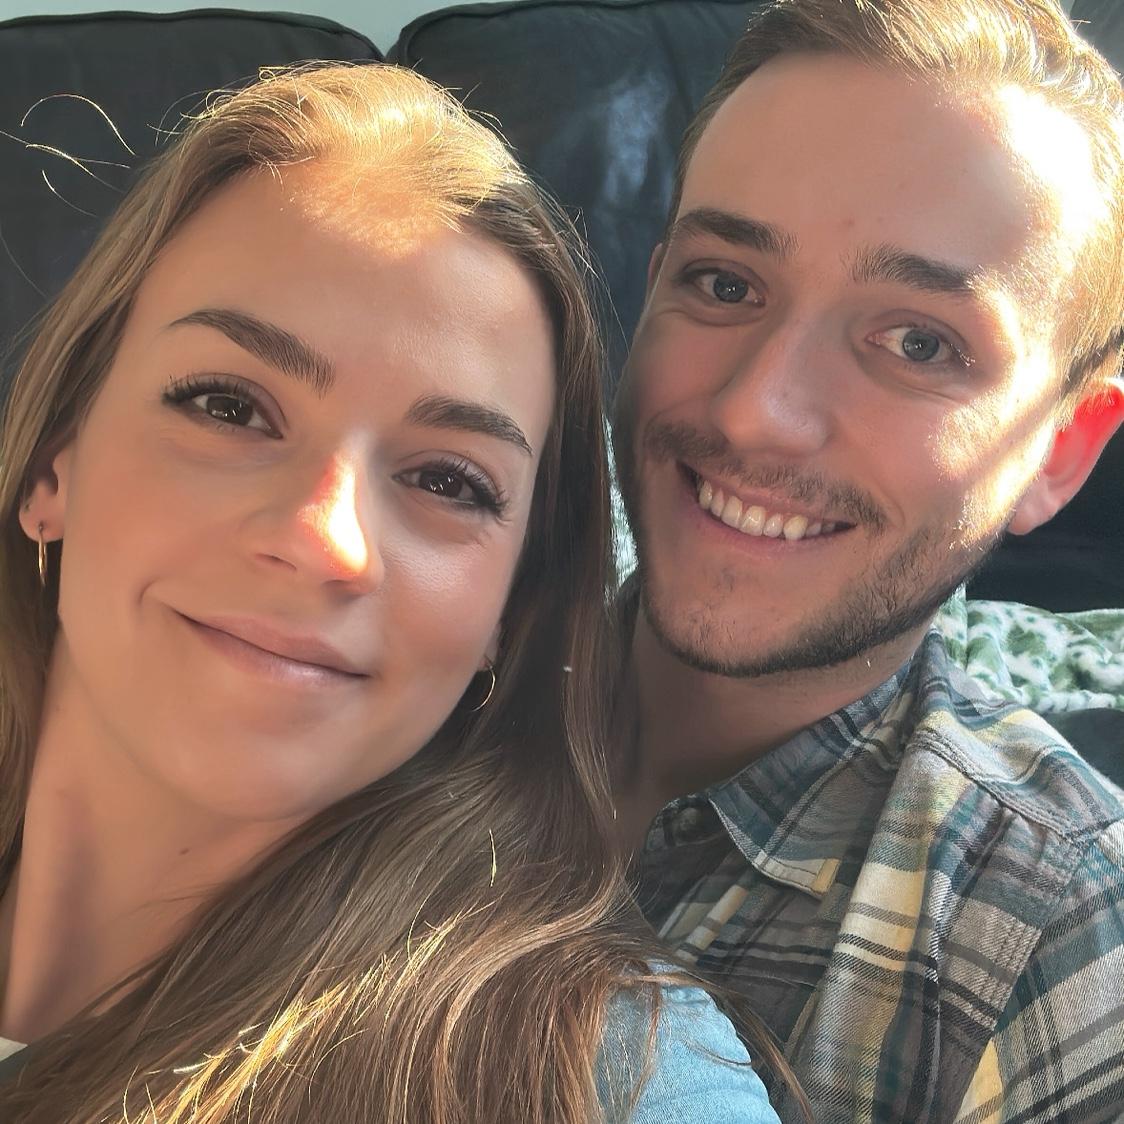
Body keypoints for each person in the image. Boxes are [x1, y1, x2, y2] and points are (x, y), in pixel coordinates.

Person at [0, 62, 780, 1123]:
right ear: (56, 462)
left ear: (508, 610)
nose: (325, 538)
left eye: (448, 481)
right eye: (228, 405)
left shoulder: (599, 1065)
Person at [609, 0, 1124, 1121]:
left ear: (1059, 451)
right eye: (724, 283)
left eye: (918, 342)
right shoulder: (394, 665)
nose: (755, 412)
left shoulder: (1060, 939)